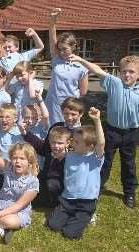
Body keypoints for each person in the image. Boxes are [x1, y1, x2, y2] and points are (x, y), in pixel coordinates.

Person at [69, 54, 139, 208]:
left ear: (138, 74)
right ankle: (96, 188)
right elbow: (97, 70)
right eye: (124, 71)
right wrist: (81, 60)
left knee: (128, 164)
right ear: (119, 72)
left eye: (132, 72)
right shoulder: (115, 83)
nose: (127, 75)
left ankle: (129, 193)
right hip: (112, 131)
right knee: (104, 161)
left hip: (131, 133)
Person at [47, 107, 105, 239]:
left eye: (77, 142)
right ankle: (72, 216)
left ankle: (87, 215)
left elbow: (101, 143)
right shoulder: (69, 155)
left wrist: (97, 121)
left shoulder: (95, 158)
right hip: (68, 199)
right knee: (53, 225)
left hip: (86, 202)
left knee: (70, 233)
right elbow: (54, 149)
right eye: (73, 140)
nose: (73, 143)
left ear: (90, 146)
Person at [46, 8, 88, 125]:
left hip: (70, 106)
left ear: (73, 47)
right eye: (59, 49)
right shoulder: (57, 59)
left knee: (71, 133)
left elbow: (83, 92)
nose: (61, 52)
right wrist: (53, 19)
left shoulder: (81, 66)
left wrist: (73, 105)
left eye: (65, 49)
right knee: (53, 131)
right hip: (53, 102)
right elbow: (52, 37)